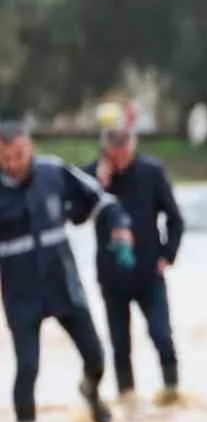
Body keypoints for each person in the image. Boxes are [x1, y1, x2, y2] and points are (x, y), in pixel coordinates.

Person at [0, 118, 131, 422]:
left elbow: (102, 200)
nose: (13, 164)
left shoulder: (54, 172)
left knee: (96, 357)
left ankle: (90, 391)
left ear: (30, 147)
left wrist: (120, 227)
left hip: (63, 286)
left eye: (19, 155)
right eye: (5, 158)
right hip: (21, 295)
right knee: (28, 369)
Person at [83, 125, 184, 402]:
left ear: (133, 146)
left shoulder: (151, 172)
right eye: (114, 156)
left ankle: (172, 391)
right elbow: (75, 212)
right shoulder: (92, 176)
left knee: (162, 336)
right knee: (120, 347)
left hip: (149, 271)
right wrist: (97, 183)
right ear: (106, 151)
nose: (120, 161)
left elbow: (175, 219)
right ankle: (127, 401)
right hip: (112, 276)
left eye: (125, 154)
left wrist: (167, 255)